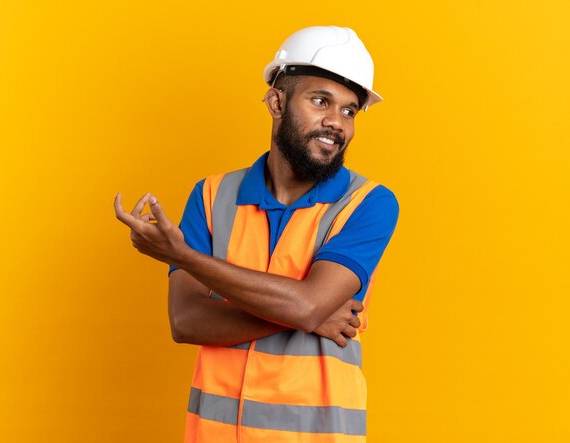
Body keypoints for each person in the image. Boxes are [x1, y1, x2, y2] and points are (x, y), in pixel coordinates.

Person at [115, 26, 399, 443]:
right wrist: (309, 315)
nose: (335, 122)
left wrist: (185, 257)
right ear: (277, 101)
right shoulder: (212, 195)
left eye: (349, 111)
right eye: (321, 101)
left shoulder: (369, 203)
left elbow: (306, 307)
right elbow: (187, 321)